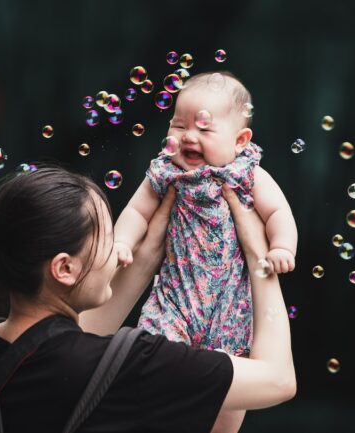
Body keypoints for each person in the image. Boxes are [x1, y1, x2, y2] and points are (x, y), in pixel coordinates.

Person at [0, 167, 295, 433]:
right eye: (108, 239)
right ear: (64, 268)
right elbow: (278, 380)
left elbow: (70, 350)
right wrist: (257, 256)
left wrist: (152, 250)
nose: (118, 253)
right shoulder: (136, 365)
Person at [112, 71, 298, 431]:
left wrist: (281, 247)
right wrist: (122, 241)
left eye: (204, 129)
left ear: (240, 140)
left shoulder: (247, 173)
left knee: (231, 401)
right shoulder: (166, 172)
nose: (189, 137)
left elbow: (278, 212)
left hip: (229, 310)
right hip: (175, 302)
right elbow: (136, 211)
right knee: (158, 371)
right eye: (179, 126)